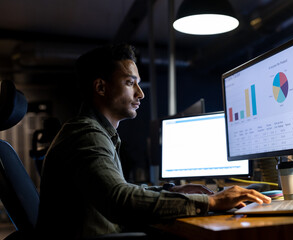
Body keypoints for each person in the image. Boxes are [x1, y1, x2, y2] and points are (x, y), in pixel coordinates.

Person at [36, 44, 271, 239]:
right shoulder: (85, 135)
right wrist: (210, 201)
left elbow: (118, 190)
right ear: (100, 87)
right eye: (130, 83)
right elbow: (120, 201)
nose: (141, 93)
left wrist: (172, 190)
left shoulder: (93, 132)